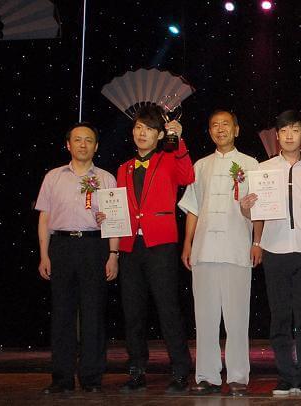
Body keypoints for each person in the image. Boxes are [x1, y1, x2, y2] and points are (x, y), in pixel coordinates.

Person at [106, 105, 195, 393]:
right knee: (132, 312)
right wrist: (110, 225)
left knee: (168, 309)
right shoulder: (123, 168)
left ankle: (180, 370)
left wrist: (179, 140)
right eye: (138, 128)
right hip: (131, 247)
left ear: (159, 135)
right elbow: (119, 209)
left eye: (148, 129)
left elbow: (188, 177)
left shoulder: (168, 159)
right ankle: (136, 369)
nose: (141, 133)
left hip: (161, 245)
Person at [240, 110, 301, 397]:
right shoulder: (263, 170)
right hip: (275, 249)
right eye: (284, 130)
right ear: (277, 136)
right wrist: (245, 209)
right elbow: (254, 213)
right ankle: (285, 376)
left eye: (295, 130)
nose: (289, 135)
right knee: (279, 316)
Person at [178, 110, 262, 396]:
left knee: (237, 317)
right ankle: (207, 376)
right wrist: (188, 243)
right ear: (209, 131)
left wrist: (257, 241)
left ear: (236, 130)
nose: (220, 129)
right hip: (204, 250)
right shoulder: (200, 165)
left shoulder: (251, 164)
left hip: (237, 248)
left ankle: (238, 376)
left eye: (225, 124)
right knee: (205, 317)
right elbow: (193, 207)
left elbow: (259, 210)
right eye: (214, 125)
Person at [36, 123, 119, 394]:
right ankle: (61, 378)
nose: (83, 144)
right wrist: (44, 254)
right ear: (68, 145)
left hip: (94, 247)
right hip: (61, 247)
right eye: (78, 140)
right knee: (62, 314)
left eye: (89, 140)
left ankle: (92, 378)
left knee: (94, 314)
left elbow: (115, 220)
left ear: (96, 146)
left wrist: (113, 255)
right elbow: (44, 218)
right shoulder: (53, 177)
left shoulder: (106, 178)